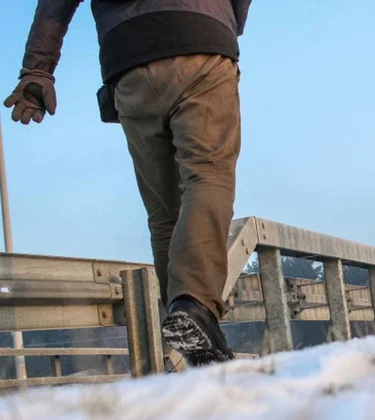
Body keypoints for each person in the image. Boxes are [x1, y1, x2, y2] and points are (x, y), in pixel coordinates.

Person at [4, 0, 252, 367]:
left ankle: (191, 330)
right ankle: (195, 305)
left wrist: (37, 73)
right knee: (207, 173)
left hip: (128, 60)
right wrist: (229, 23)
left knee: (164, 211)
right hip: (201, 39)